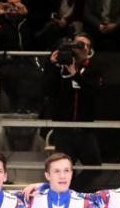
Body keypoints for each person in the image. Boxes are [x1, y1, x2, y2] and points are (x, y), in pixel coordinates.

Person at [43, 33, 102, 192]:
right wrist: (52, 66)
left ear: (89, 50)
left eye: (84, 45)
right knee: (62, 168)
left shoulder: (94, 69)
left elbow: (94, 93)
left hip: (85, 129)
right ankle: (65, 195)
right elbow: (48, 90)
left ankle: (73, 192)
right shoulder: (60, 67)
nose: (79, 48)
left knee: (95, 167)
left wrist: (76, 75)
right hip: (64, 129)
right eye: (76, 44)